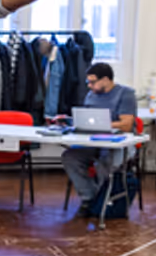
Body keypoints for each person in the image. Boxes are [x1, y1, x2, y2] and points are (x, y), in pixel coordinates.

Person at [59, 62, 137, 215]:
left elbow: (127, 125)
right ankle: (91, 199)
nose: (89, 86)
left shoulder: (126, 94)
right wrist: (69, 120)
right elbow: (88, 120)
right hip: (93, 142)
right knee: (70, 157)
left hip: (118, 144)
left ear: (106, 80)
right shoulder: (91, 94)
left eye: (92, 82)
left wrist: (104, 124)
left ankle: (98, 202)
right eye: (88, 82)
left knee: (106, 162)